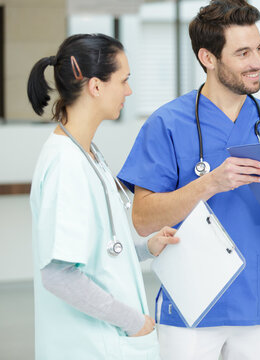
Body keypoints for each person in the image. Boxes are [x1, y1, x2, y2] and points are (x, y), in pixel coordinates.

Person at [117, 1, 260, 359]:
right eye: (243, 53)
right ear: (208, 57)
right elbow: (142, 219)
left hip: (259, 303)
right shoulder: (167, 124)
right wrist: (208, 184)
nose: (258, 62)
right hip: (189, 304)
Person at [28, 33, 179, 359]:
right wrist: (134, 323)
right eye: (123, 80)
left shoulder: (87, 154)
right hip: (87, 346)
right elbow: (59, 274)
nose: (129, 91)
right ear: (95, 86)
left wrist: (145, 248)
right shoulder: (66, 163)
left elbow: (100, 251)